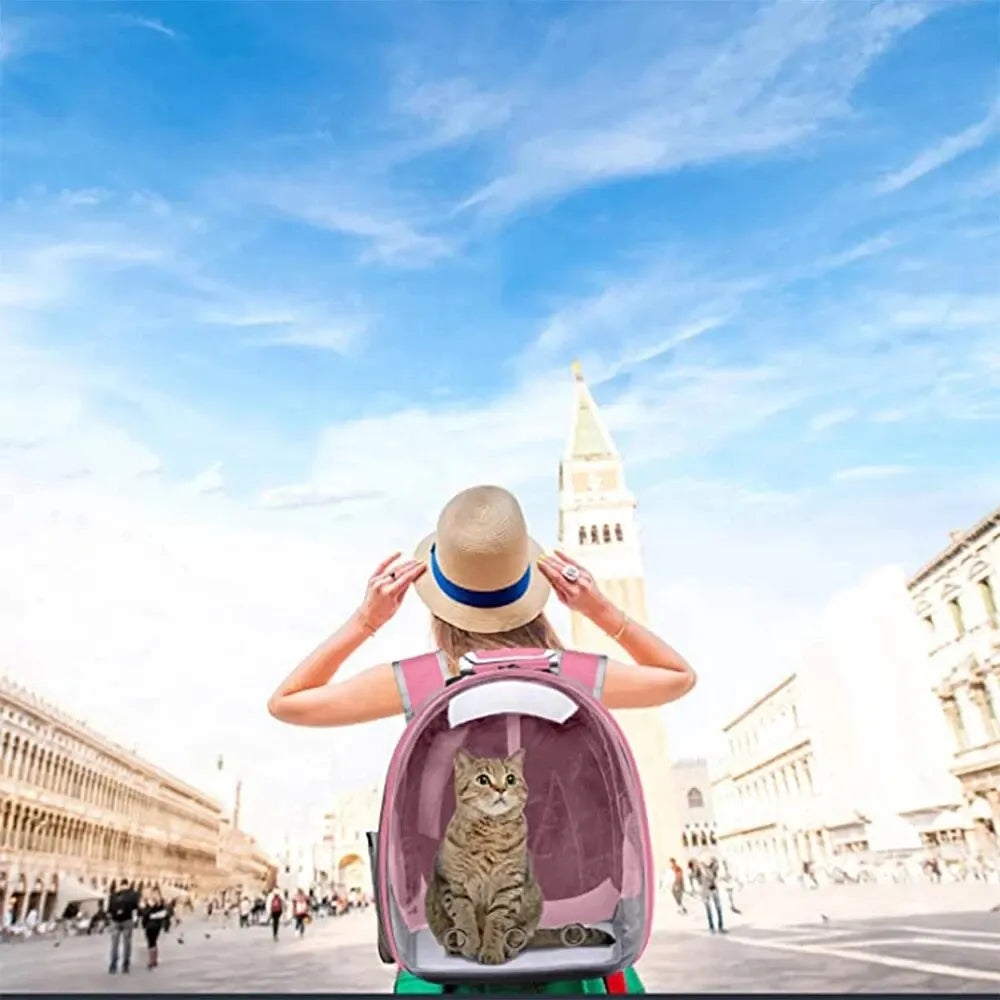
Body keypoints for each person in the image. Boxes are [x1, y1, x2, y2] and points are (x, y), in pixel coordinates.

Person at [269, 485, 697, 994]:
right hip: (580, 951)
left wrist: (367, 621)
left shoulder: (424, 678)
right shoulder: (575, 674)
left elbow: (288, 701)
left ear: (441, 603)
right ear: (531, 590)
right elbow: (677, 676)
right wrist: (599, 609)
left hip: (448, 952)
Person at [108, 877, 140, 974]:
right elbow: (136, 906)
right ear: (127, 884)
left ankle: (113, 965)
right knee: (127, 944)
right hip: (127, 920)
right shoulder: (133, 894)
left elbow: (109, 910)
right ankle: (125, 966)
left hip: (115, 921)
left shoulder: (113, 895)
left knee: (114, 944)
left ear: (120, 885)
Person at [140, 889, 170, 970]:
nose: (154, 895)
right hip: (153, 924)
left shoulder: (157, 903)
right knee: (153, 942)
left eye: (155, 894)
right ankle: (154, 959)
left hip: (152, 924)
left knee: (151, 942)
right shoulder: (158, 902)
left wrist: (150, 913)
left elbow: (164, 913)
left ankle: (151, 960)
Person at [695, 854, 725, 934]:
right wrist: (701, 885)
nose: (709, 861)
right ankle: (712, 927)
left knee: (718, 908)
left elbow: (716, 874)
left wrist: (715, 863)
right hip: (705, 890)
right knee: (709, 909)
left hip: (713, 888)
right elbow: (696, 876)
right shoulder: (700, 868)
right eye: (708, 859)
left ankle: (720, 926)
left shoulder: (713, 867)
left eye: (711, 860)